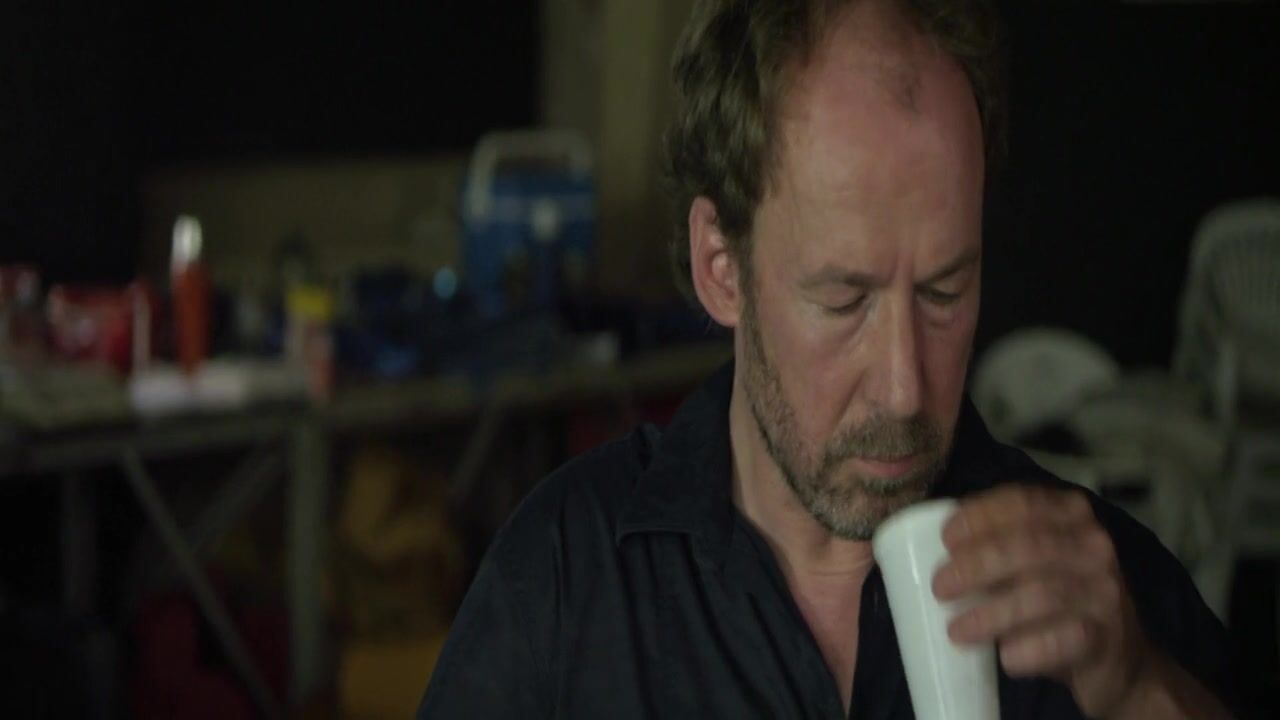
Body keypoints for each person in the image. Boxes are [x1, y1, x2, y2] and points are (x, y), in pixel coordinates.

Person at [418, 0, 1244, 717]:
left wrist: (1137, 690)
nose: (904, 387)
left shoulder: (1101, 595)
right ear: (722, 268)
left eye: (944, 293)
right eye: (845, 301)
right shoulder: (566, 582)